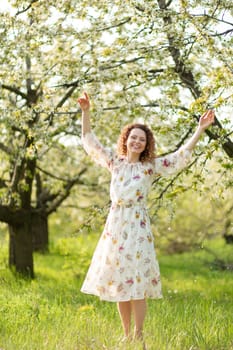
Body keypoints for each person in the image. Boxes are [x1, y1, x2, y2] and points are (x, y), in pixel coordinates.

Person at [77, 92, 215, 344]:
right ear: (126, 140)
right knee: (120, 282)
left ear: (146, 143)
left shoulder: (150, 167)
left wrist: (200, 130)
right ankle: (126, 335)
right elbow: (89, 141)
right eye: (133, 138)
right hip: (116, 226)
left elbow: (179, 157)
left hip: (138, 227)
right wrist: (86, 112)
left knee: (137, 281)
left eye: (142, 139)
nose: (137, 142)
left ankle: (139, 337)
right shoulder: (115, 162)